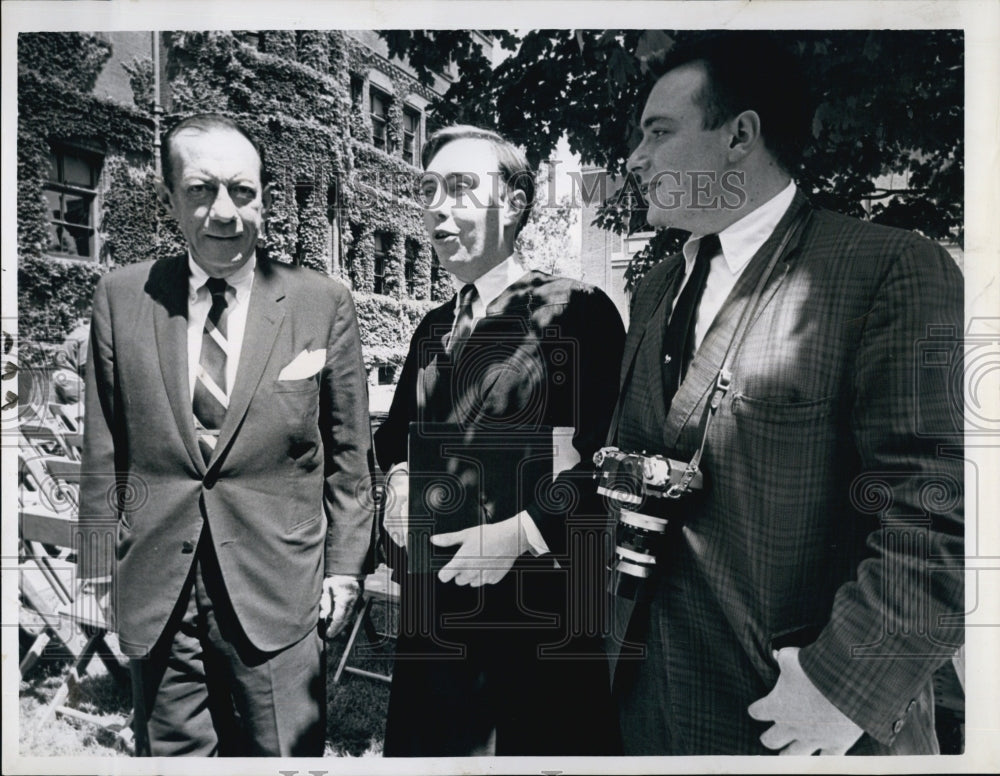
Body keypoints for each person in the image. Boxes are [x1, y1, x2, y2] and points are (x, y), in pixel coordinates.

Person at [609, 32, 964, 755]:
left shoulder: (885, 269)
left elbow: (942, 511)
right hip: (648, 712)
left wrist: (843, 686)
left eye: (659, 131)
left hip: (801, 728)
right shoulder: (651, 292)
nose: (634, 159)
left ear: (740, 135)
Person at [78, 114, 374, 756]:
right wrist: (101, 569)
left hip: (279, 587)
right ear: (169, 200)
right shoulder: (123, 298)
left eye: (243, 191)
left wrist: (346, 571)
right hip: (159, 588)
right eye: (201, 190)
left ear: (263, 196)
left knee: (282, 759)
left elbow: (350, 458)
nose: (225, 212)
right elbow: (105, 451)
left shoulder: (319, 302)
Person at [374, 125, 625, 756]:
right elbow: (396, 440)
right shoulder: (432, 328)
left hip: (538, 627)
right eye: (428, 189)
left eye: (459, 188)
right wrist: (400, 481)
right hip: (433, 627)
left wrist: (520, 533)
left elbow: (606, 463)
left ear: (512, 204)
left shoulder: (577, 311)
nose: (436, 206)